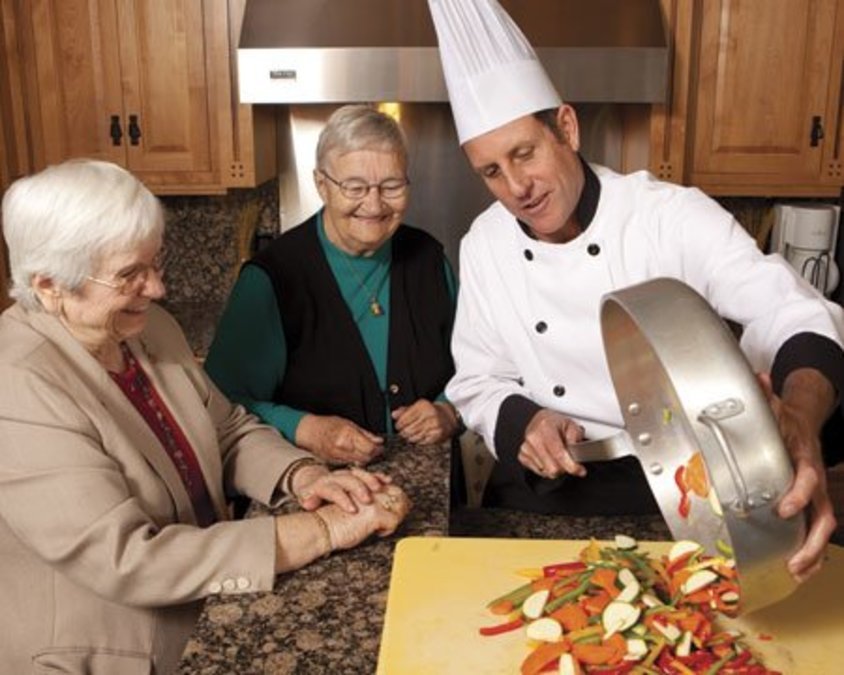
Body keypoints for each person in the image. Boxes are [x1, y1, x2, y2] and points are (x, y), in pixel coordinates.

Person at [427, 0, 843, 581]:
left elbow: (795, 312)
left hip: (686, 495)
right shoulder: (484, 245)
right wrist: (524, 423)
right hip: (545, 495)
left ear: (566, 128)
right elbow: (476, 380)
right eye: (492, 171)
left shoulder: (667, 217)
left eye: (525, 153)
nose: (517, 187)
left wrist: (799, 418)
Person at [0, 159, 411, 674]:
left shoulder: (148, 330)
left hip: (198, 609)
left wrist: (303, 476)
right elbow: (126, 558)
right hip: (107, 654)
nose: (157, 289)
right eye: (130, 274)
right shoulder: (16, 382)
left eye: (156, 263)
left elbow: (228, 429)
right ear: (48, 286)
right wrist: (321, 531)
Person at [205, 104, 461, 467]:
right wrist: (305, 429)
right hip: (314, 488)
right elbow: (218, 399)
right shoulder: (273, 278)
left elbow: (481, 365)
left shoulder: (430, 260)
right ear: (322, 185)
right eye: (354, 187)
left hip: (431, 487)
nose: (373, 205)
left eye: (391, 185)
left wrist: (449, 411)